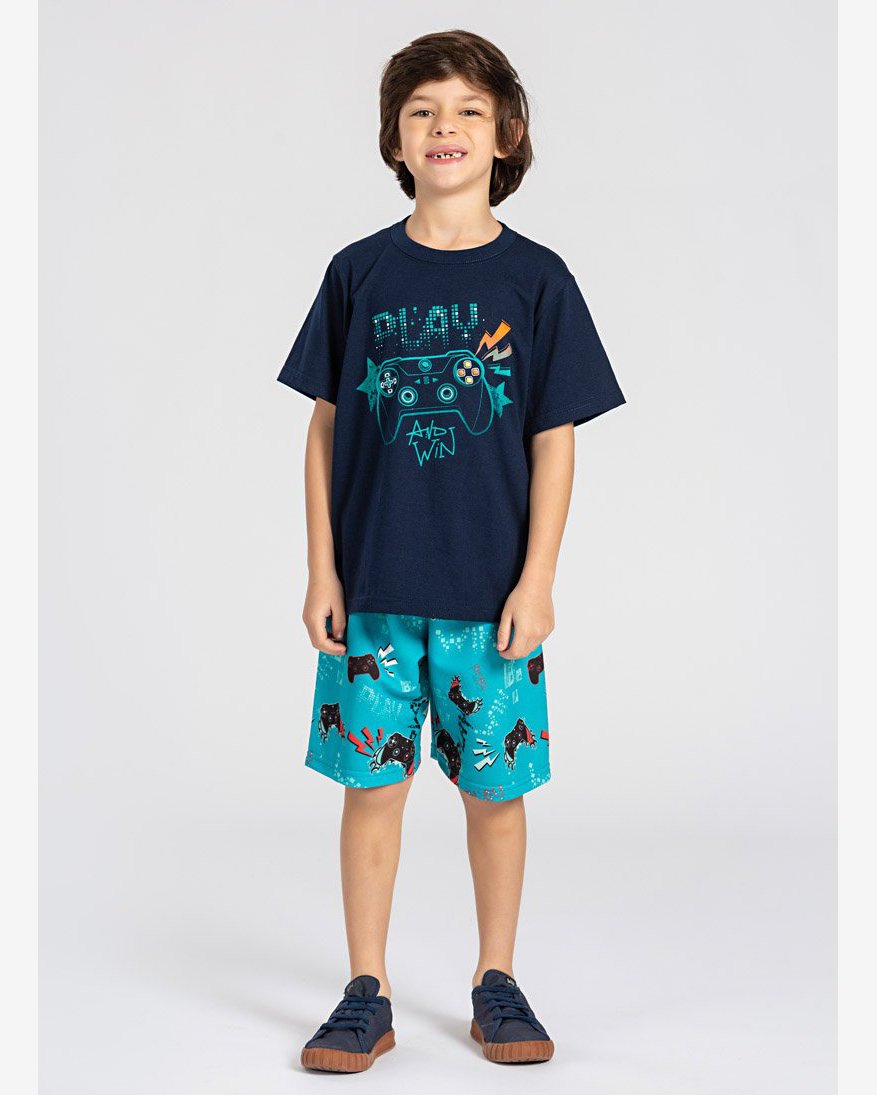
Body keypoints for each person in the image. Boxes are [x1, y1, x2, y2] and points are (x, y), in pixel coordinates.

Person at [277, 29, 625, 1073]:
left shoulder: (538, 280)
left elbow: (554, 436)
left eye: (468, 110)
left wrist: (538, 578)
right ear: (394, 138)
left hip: (490, 593)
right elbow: (325, 427)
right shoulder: (358, 273)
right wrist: (322, 568)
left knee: (495, 795)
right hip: (374, 590)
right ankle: (366, 990)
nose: (445, 127)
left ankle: (496, 978)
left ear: (505, 135)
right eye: (422, 110)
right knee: (370, 792)